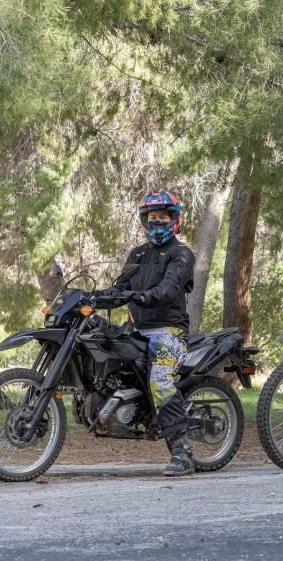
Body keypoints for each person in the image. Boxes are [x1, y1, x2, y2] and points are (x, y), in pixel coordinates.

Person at [96, 190, 196, 475]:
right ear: (144, 221)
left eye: (163, 218)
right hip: (138, 331)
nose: (157, 223)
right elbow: (120, 287)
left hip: (169, 333)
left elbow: (169, 287)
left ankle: (182, 452)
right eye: (152, 218)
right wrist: (92, 298)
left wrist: (143, 296)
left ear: (174, 220)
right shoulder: (137, 254)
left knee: (161, 379)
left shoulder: (182, 254)